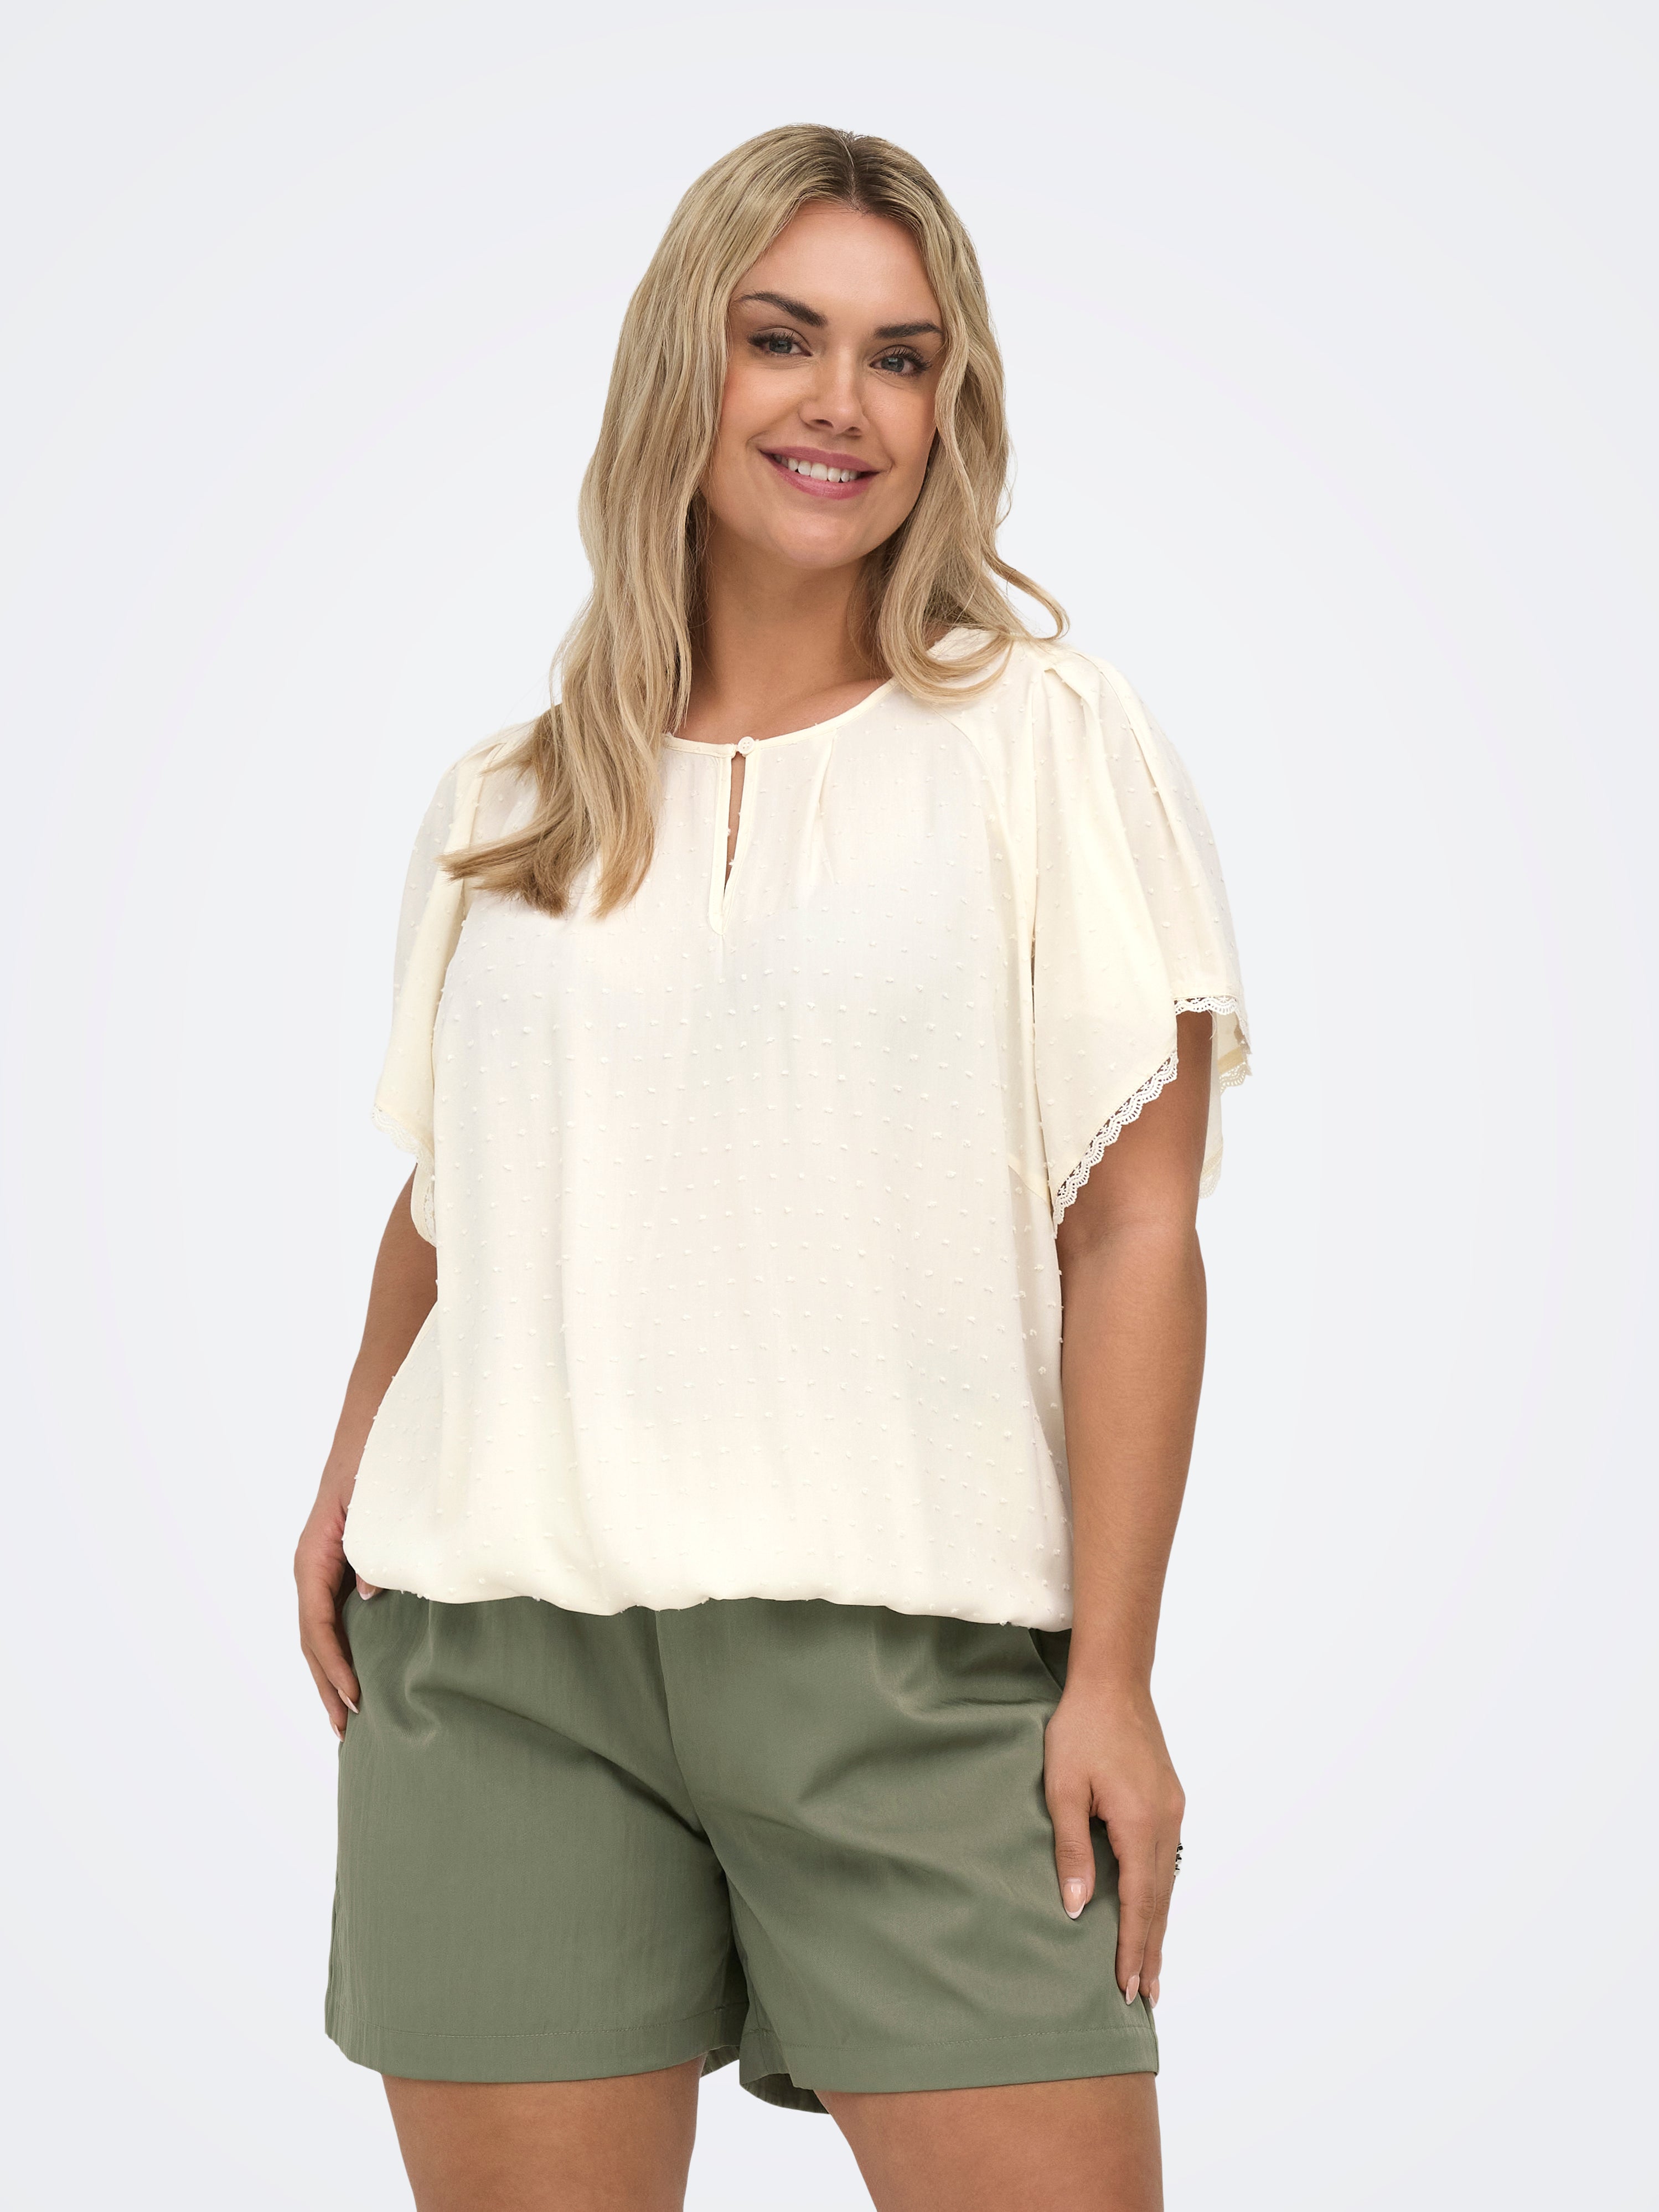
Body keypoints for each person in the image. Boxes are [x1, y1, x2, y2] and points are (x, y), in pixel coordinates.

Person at [294, 122, 1249, 2212]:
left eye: (903, 357)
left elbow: (1137, 1226)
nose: (843, 404)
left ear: (951, 405)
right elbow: (454, 1193)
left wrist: (1112, 1673)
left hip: (910, 1663)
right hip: (497, 1661)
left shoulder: (1045, 745)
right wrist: (346, 1471)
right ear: (684, 364)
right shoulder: (512, 799)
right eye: (783, 337)